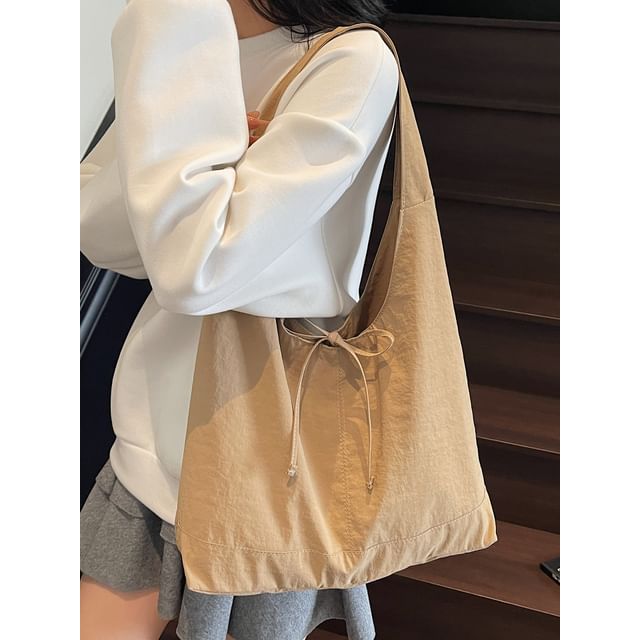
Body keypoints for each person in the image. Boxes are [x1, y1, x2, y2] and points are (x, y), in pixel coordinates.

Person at [80, 0, 399, 638]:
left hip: (263, 451)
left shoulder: (351, 60)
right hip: (152, 435)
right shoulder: (192, 35)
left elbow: (196, 267)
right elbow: (102, 232)